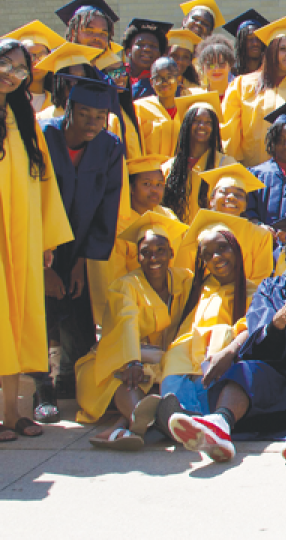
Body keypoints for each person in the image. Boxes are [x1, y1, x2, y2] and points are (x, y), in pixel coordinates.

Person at [169, 210, 286, 463]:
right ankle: (219, 425)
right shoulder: (270, 289)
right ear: (285, 252)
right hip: (277, 375)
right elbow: (254, 341)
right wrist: (276, 324)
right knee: (245, 371)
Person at [36, 74, 124, 421]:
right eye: (84, 113)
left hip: (79, 244)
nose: (92, 123)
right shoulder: (44, 137)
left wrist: (82, 262)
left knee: (78, 320)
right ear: (68, 108)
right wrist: (43, 264)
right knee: (37, 320)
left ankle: (66, 383)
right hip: (39, 243)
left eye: (99, 116)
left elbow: (108, 203)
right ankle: (41, 390)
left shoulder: (109, 146)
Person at [0, 39, 71, 441]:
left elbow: (45, 184)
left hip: (22, 237)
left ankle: (14, 412)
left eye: (21, 70)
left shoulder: (24, 119)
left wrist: (46, 240)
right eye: (5, 65)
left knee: (21, 321)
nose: (12, 74)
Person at [76, 212, 191, 443]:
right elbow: (125, 322)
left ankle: (129, 426)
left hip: (165, 359)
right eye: (145, 252)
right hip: (116, 358)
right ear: (137, 257)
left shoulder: (185, 280)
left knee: (163, 372)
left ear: (171, 253)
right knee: (127, 380)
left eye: (160, 250)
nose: (153, 257)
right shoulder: (125, 285)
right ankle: (149, 422)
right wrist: (132, 360)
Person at [158, 212, 249, 429]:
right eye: (207, 255)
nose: (216, 257)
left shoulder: (255, 290)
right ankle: (176, 415)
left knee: (214, 358)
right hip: (188, 350)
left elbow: (252, 327)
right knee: (174, 359)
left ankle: (189, 420)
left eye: (222, 248)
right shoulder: (195, 288)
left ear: (236, 249)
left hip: (224, 352)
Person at [86, 154, 178, 332]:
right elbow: (113, 279)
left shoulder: (169, 217)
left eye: (159, 185)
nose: (154, 190)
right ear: (131, 188)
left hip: (169, 308)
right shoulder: (114, 224)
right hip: (132, 310)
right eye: (146, 184)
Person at [221, 16, 286, 167]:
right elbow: (230, 131)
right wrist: (232, 166)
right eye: (283, 49)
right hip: (251, 170)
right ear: (270, 51)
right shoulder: (241, 85)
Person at [161, 99, 234, 224]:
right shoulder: (169, 167)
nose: (202, 126)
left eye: (208, 122)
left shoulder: (226, 164)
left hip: (210, 236)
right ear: (186, 125)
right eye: (196, 121)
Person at [5, 20, 66, 114]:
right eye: (29, 56)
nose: (36, 61)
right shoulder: (7, 98)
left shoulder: (59, 101)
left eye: (41, 55)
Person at [120, 18, 171, 100]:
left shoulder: (164, 82)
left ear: (161, 55)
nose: (147, 49)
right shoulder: (116, 74)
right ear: (128, 52)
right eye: (140, 44)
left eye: (153, 46)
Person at [223, 9, 268, 77]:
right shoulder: (230, 74)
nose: (255, 43)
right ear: (240, 42)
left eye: (258, 38)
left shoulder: (271, 73)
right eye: (249, 38)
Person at [194, 34, 237, 101]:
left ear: (230, 66)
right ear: (203, 68)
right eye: (210, 65)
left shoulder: (240, 95)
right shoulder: (197, 97)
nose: (216, 69)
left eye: (221, 64)